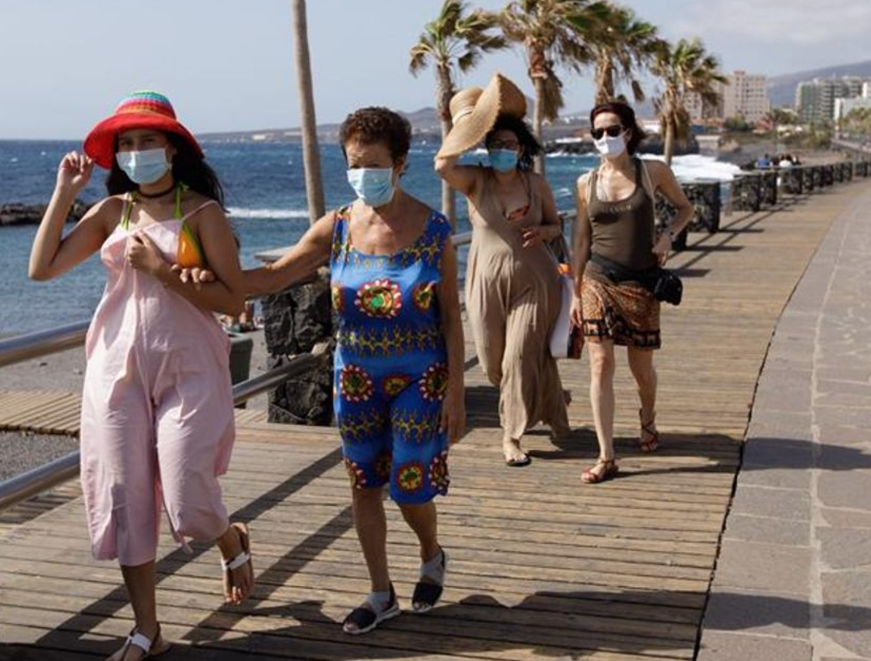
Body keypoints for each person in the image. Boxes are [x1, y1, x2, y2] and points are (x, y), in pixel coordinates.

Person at [28, 90, 253, 661]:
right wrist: (64, 194)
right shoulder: (112, 211)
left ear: (173, 149)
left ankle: (230, 536)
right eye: (125, 144)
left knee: (188, 494)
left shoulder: (204, 214)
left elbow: (234, 302)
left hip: (191, 367)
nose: (135, 152)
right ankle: (147, 630)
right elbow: (42, 268)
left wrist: (165, 269)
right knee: (126, 495)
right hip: (115, 369)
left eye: (146, 141)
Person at [236, 107, 464, 634]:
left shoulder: (434, 230)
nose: (363, 174)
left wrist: (453, 391)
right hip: (356, 377)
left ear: (401, 163)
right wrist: (198, 276)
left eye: (374, 164)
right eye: (354, 164)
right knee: (364, 484)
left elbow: (451, 317)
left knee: (410, 485)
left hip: (420, 377)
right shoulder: (336, 226)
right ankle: (380, 592)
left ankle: (431, 553)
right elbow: (273, 276)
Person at [434, 73, 570, 467]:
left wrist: (542, 230)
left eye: (510, 145)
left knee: (518, 357)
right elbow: (442, 165)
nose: (502, 150)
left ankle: (511, 436)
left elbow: (556, 225)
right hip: (485, 281)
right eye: (495, 144)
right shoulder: (475, 180)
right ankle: (551, 397)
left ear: (522, 147)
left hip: (535, 279)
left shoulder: (535, 183)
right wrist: (467, 126)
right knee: (494, 363)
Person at [571, 101, 695, 484]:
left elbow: (684, 209)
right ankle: (606, 456)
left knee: (641, 370)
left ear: (628, 131)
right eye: (598, 133)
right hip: (597, 278)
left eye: (612, 130)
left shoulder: (652, 170)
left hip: (641, 282)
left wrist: (666, 236)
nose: (605, 138)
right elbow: (580, 241)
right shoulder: (585, 183)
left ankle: (648, 416)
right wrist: (575, 293)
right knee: (600, 364)